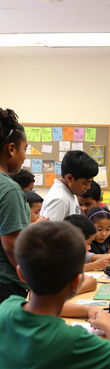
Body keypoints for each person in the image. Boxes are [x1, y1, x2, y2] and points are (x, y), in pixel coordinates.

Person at [0, 221, 110, 369]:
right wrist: (108, 325)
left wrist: (88, 310)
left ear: (20, 273)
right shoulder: (72, 341)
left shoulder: (7, 307)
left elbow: (44, 307)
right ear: (77, 282)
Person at [0, 108, 30, 303]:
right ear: (11, 149)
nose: (25, 156)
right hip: (6, 286)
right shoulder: (10, 189)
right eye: (25, 149)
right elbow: (12, 246)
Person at [40, 150, 98, 221]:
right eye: (85, 183)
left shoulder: (70, 193)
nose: (88, 187)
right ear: (70, 178)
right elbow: (50, 231)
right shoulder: (59, 200)